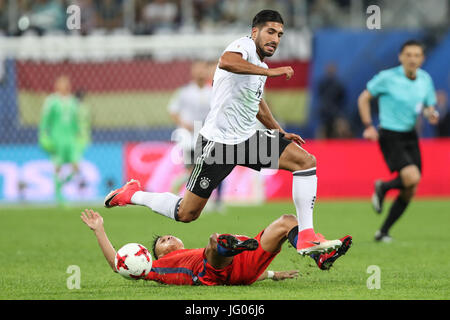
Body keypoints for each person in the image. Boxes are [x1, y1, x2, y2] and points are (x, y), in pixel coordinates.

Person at [105, 10, 346, 256]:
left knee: (305, 162)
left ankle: (306, 235)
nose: (275, 38)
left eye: (280, 34)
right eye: (270, 32)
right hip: (217, 145)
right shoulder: (244, 47)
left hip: (247, 140)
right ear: (255, 32)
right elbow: (226, 61)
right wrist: (269, 72)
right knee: (186, 213)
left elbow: (257, 103)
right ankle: (133, 194)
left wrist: (279, 131)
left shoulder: (258, 65)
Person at [80, 209, 352, 285]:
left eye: (169, 236)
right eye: (163, 241)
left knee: (287, 221)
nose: (169, 238)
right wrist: (100, 230)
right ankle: (228, 244)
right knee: (214, 243)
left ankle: (320, 255)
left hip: (243, 268)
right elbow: (118, 266)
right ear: (158, 255)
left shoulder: (192, 251)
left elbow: (246, 274)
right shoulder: (159, 268)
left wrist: (272, 274)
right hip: (211, 274)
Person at [357, 40, 439, 242]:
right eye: (408, 55)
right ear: (401, 57)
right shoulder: (387, 78)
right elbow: (363, 98)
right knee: (412, 177)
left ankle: (383, 232)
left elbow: (429, 106)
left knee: (411, 189)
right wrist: (368, 126)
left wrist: (431, 114)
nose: (412, 59)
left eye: (417, 55)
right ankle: (382, 187)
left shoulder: (425, 79)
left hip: (410, 135)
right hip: (390, 134)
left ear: (422, 59)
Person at [168, 60, 223, 210]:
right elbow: (172, 110)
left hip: (207, 138)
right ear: (192, 72)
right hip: (188, 139)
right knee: (192, 171)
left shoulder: (212, 92)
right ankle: (178, 190)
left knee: (209, 169)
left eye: (203, 69)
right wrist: (183, 123)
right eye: (197, 69)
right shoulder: (184, 92)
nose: (200, 72)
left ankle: (212, 202)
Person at [39, 76, 87, 204]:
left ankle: (61, 184)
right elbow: (45, 120)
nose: (64, 87)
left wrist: (80, 135)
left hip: (71, 139)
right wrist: (44, 135)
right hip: (57, 138)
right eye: (61, 84)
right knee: (58, 166)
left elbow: (77, 121)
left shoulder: (73, 102)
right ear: (56, 86)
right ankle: (59, 196)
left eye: (66, 84)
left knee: (76, 166)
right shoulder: (51, 101)